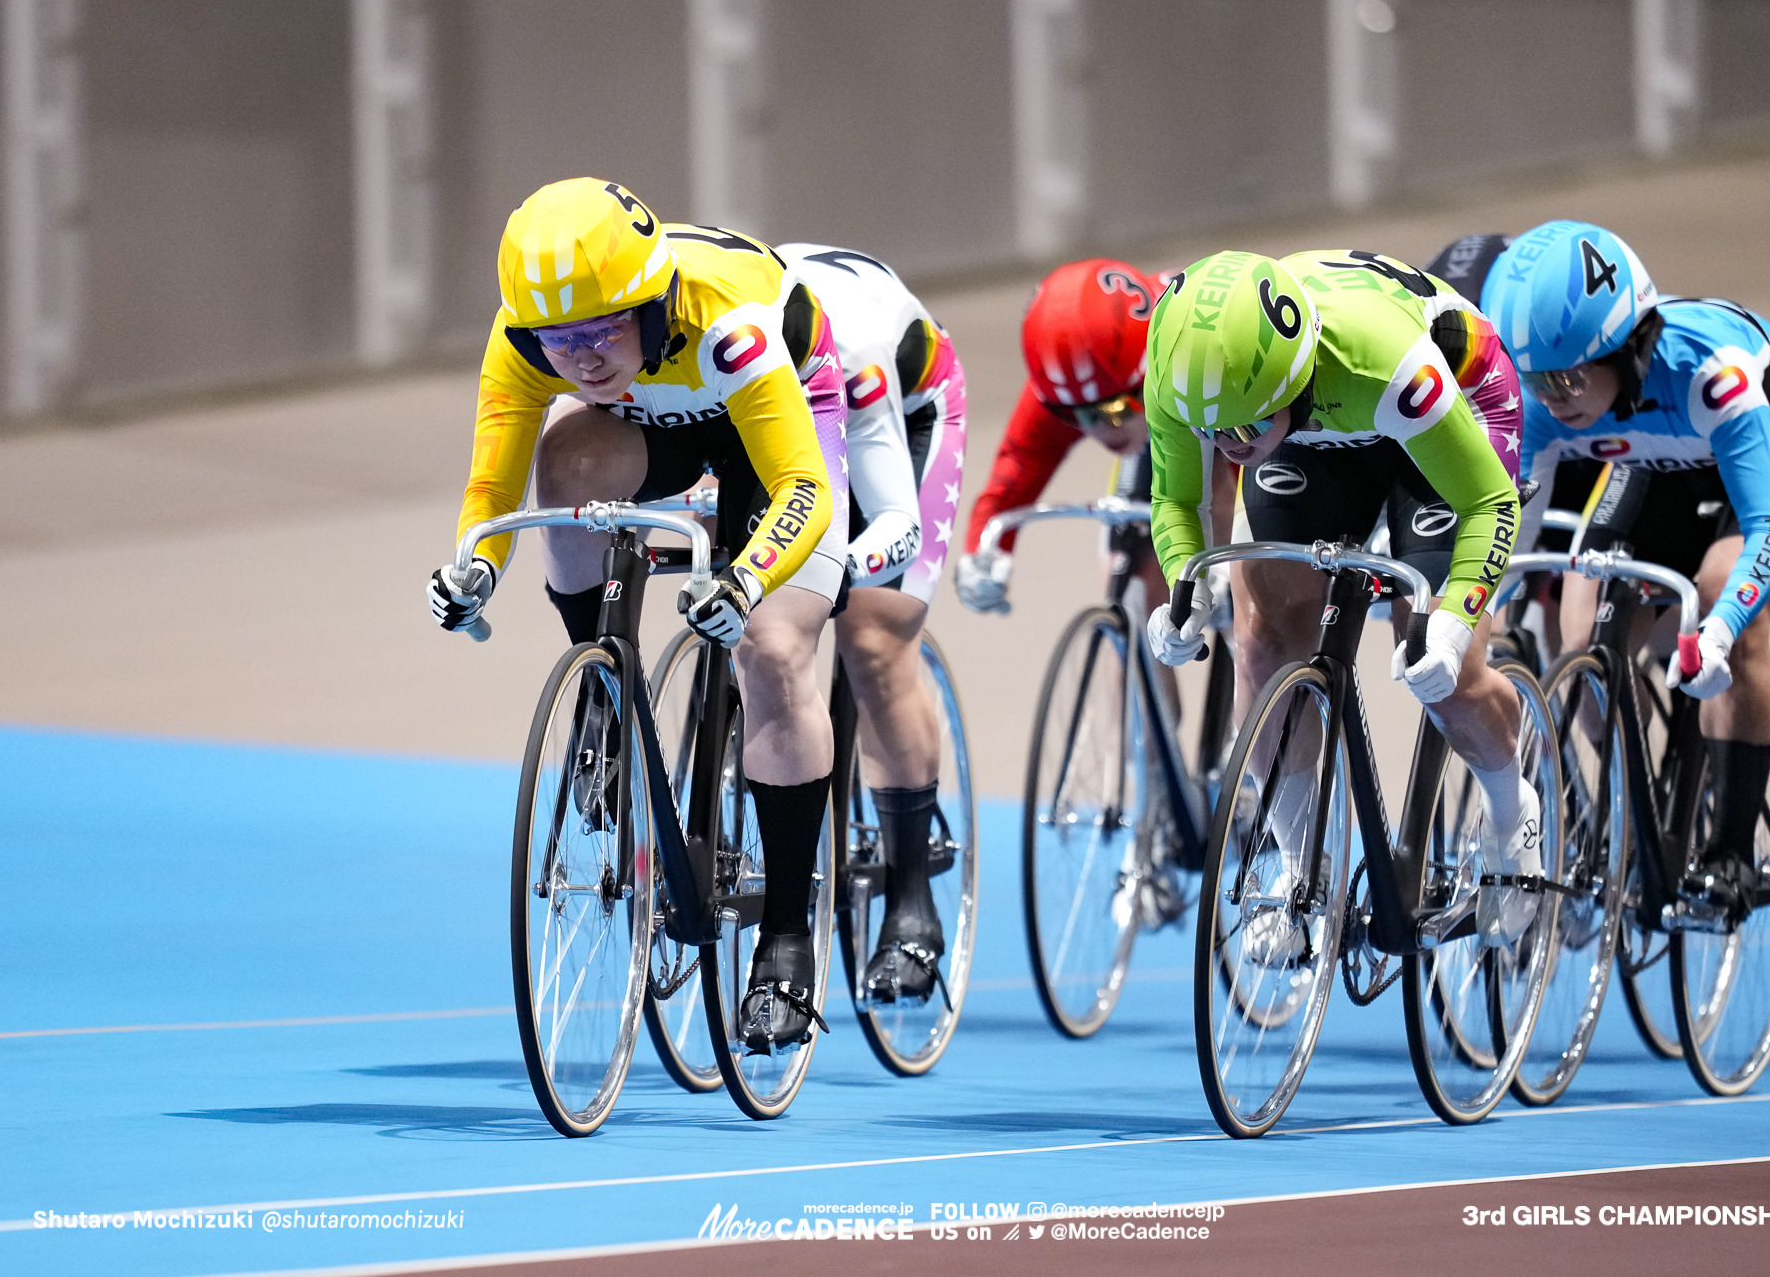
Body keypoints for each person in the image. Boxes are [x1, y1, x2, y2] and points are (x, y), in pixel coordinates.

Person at [425, 179, 849, 1053]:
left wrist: (745, 582)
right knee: (567, 456)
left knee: (770, 648)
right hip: (661, 423)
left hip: (781, 423)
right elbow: (494, 486)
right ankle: (603, 692)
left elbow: (804, 487)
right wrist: (476, 566)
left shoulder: (727, 320)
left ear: (651, 303)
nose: (578, 358)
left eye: (602, 329)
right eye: (559, 341)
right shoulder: (521, 339)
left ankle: (788, 935)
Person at [1143, 249, 1541, 945]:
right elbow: (1177, 497)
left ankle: (1516, 808)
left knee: (1442, 666)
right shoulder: (1186, 373)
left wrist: (1454, 619)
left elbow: (1488, 500)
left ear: (1290, 386)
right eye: (1211, 433)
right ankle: (1301, 871)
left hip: (1445, 396)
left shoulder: (1383, 365)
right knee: (1262, 637)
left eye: (1239, 433)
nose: (1225, 448)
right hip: (1310, 432)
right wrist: (1188, 582)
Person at [1480, 220, 1770, 919]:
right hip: (1656, 460)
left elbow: (1766, 527)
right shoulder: (1552, 395)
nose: (1551, 397)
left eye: (1566, 376)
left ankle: (1731, 851)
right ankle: (1647, 799)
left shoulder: (1713, 376)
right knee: (1580, 629)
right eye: (1534, 378)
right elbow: (1515, 524)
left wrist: (1721, 630)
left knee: (1723, 595)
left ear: (1628, 346)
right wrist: (1482, 610)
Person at [775, 242, 969, 1004]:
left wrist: (839, 574)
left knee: (872, 633)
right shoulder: (717, 341)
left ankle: (911, 899)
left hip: (901, 416)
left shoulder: (852, 357)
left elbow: (896, 524)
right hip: (787, 421)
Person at [956, 258, 1235, 622]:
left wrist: (1232, 567)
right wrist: (981, 553)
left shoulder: (1202, 358)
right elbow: (1015, 473)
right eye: (1078, 416)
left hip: (1218, 413)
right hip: (1159, 425)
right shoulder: (1064, 387)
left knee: (1247, 611)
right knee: (1126, 601)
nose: (1102, 431)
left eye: (1116, 409)